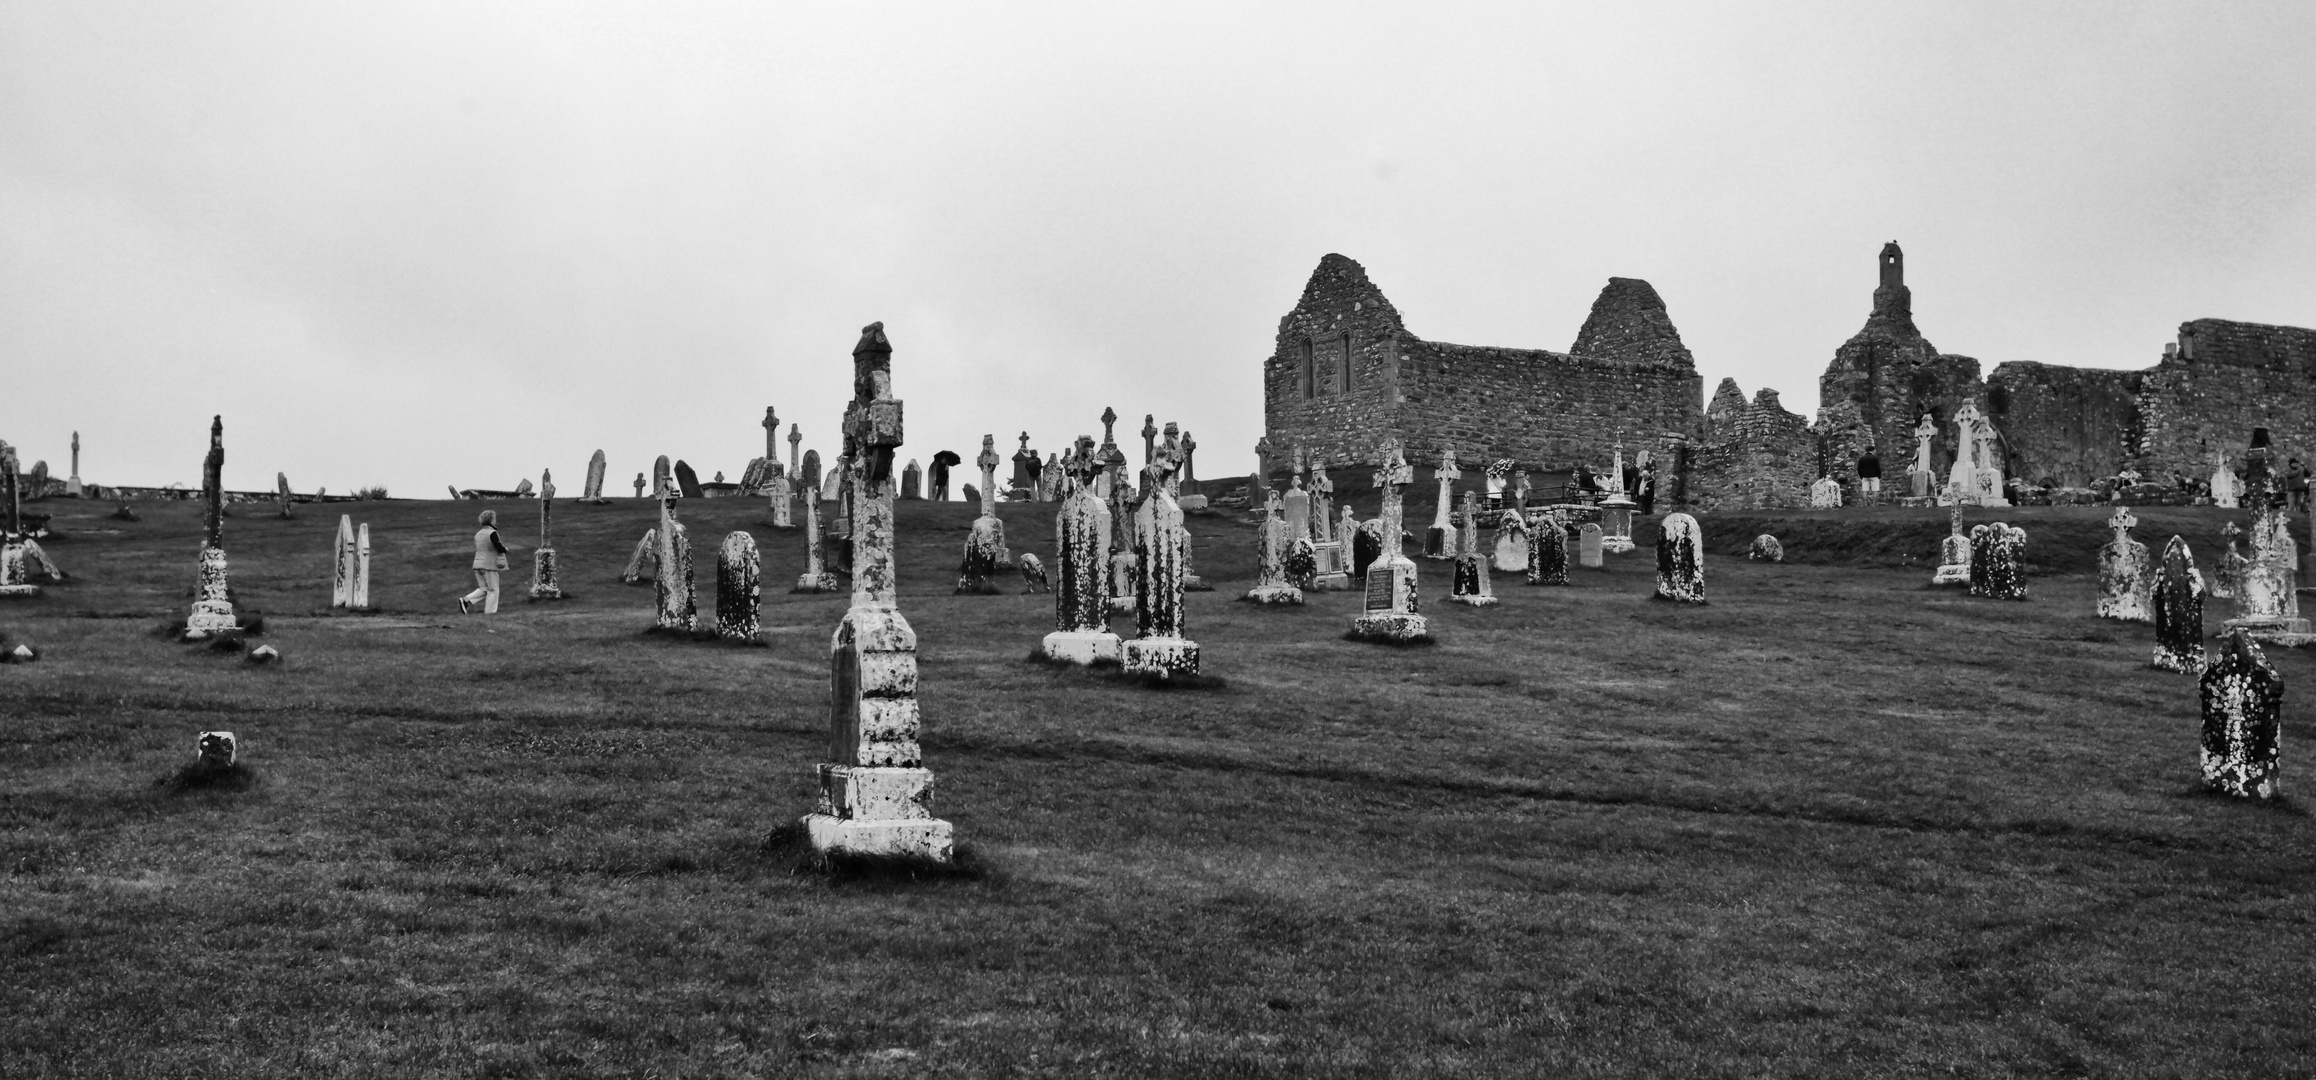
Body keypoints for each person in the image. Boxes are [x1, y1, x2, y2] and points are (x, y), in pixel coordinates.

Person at [460, 509, 510, 614]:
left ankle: (466, 600)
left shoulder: (478, 534)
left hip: (477, 564)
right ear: (491, 520)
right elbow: (498, 547)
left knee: (484, 589)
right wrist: (505, 549)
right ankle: (490, 613)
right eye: (494, 518)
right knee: (493, 590)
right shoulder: (492, 533)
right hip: (489, 565)